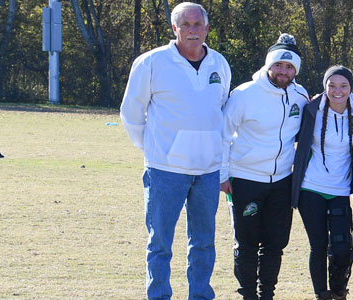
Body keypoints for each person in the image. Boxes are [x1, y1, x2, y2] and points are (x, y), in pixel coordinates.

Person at [119, 2, 231, 299]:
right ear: (174, 28)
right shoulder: (151, 62)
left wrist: (219, 164)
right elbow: (131, 113)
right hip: (164, 171)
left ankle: (200, 295)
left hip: (207, 172)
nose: (193, 30)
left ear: (207, 28)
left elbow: (220, 112)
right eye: (186, 24)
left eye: (198, 25)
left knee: (204, 243)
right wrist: (155, 151)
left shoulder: (219, 63)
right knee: (160, 244)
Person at [221, 33, 309, 300]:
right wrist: (223, 176)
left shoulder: (300, 95)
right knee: (247, 243)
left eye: (290, 67)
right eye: (279, 65)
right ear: (269, 65)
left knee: (275, 244)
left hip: (282, 181)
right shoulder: (245, 94)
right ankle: (247, 294)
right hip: (245, 179)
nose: (284, 71)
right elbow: (222, 135)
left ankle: (266, 294)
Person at [290, 66, 353, 299]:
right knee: (318, 245)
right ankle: (321, 294)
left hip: (340, 190)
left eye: (343, 85)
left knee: (343, 248)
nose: (337, 90)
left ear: (350, 88)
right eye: (332, 85)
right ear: (325, 87)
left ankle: (338, 290)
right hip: (311, 187)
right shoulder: (311, 109)